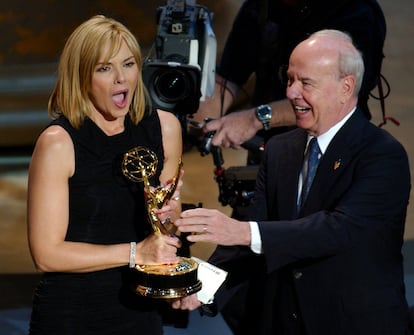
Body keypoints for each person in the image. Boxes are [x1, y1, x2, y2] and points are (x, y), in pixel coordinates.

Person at [174, 30, 411, 334]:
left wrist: (243, 232)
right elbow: (250, 238)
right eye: (289, 79)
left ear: (345, 87)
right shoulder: (279, 150)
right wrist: (199, 287)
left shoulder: (381, 155)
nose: (291, 93)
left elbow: (339, 230)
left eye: (306, 83)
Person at [27, 15, 184, 334]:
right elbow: (46, 254)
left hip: (141, 312)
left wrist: (171, 213)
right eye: (104, 68)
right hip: (73, 315)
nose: (120, 79)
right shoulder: (59, 144)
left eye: (128, 64)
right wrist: (135, 252)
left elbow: (166, 226)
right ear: (82, 76)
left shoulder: (165, 128)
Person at [191, 0, 386, 152]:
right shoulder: (260, 7)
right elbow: (228, 78)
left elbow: (333, 99)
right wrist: (201, 120)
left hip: (334, 149)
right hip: (269, 149)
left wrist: (254, 119)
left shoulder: (355, 12)